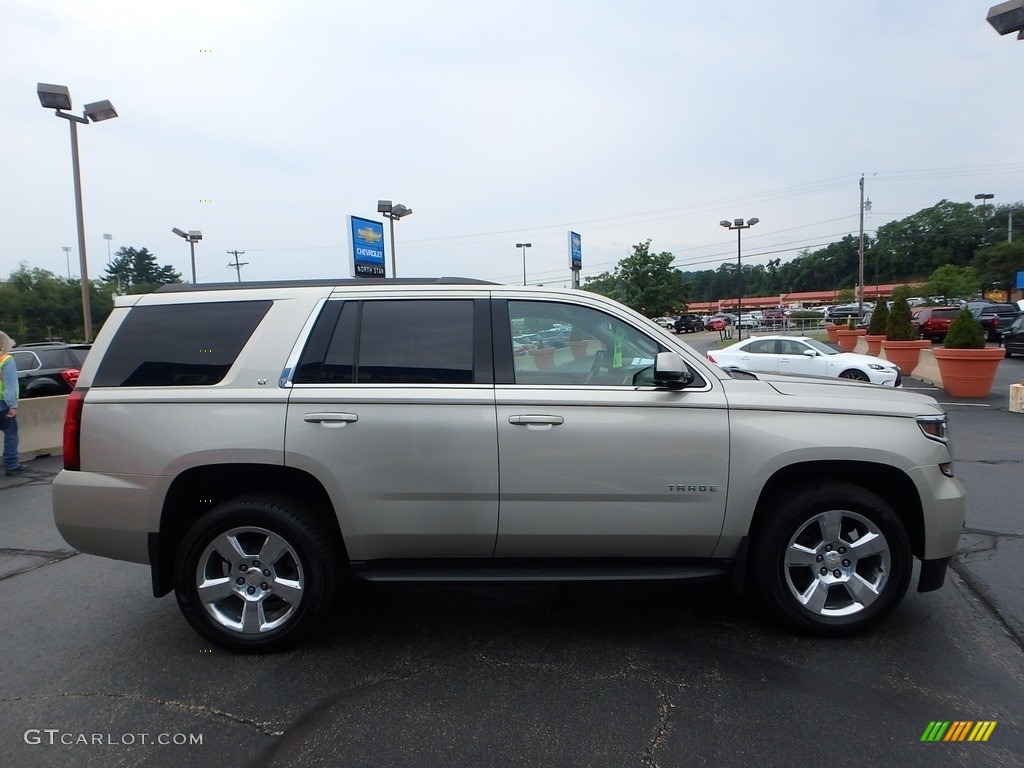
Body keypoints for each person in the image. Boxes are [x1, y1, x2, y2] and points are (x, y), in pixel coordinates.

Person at [0, 331, 23, 475]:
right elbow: (10, 385)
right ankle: (11, 465)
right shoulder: (6, 360)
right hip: (2, 403)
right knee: (11, 433)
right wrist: (13, 405)